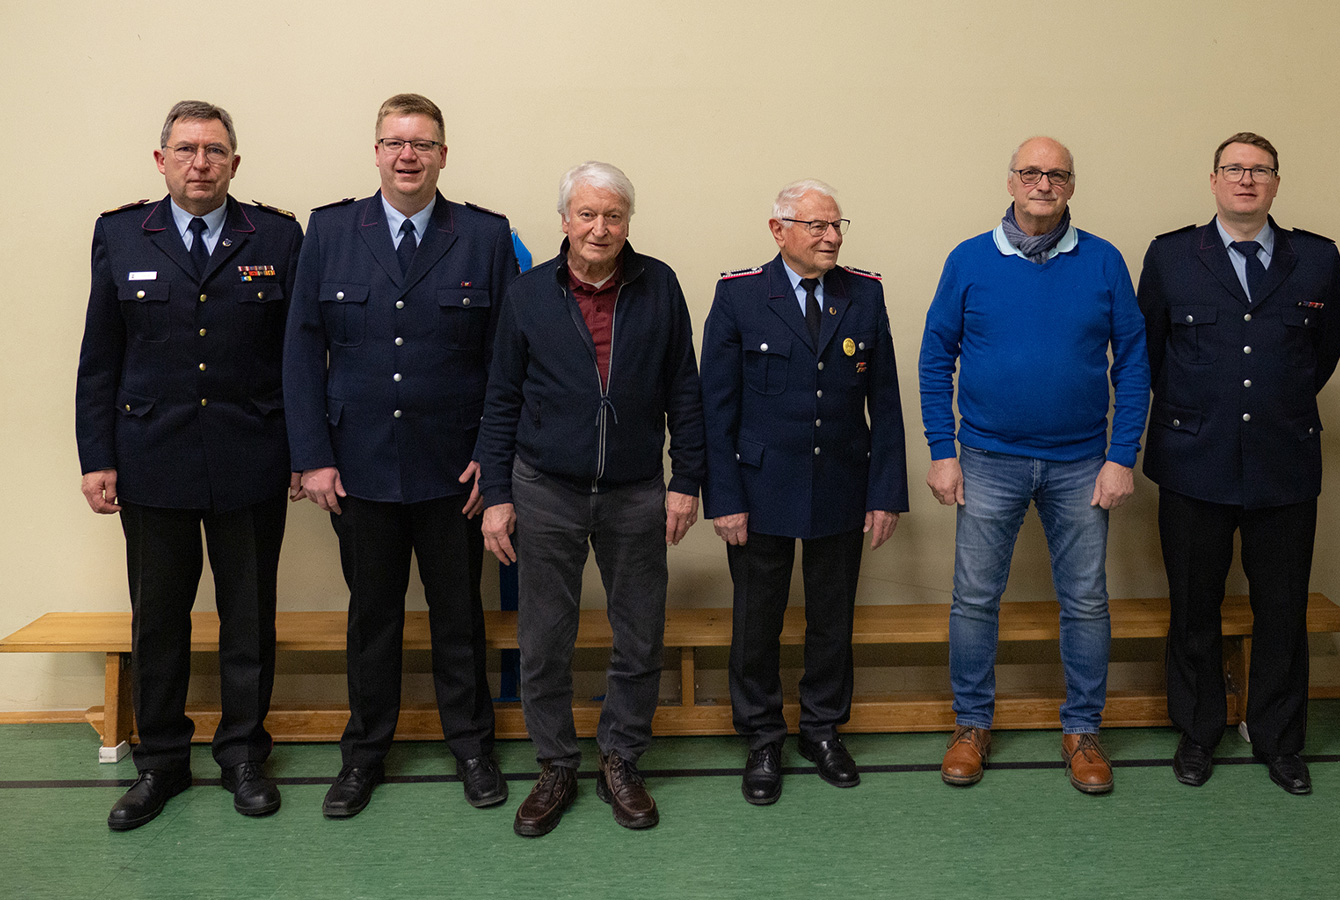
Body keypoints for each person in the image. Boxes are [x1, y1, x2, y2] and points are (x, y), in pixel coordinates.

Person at [284, 93, 515, 818]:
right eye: (394, 142)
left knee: (458, 618)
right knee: (372, 617)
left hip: (455, 472)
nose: (407, 155)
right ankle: (364, 755)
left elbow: (509, 362)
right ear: (376, 151)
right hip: (360, 470)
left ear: (444, 154)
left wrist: (492, 457)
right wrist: (314, 456)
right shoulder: (328, 231)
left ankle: (472, 747)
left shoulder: (483, 234)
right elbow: (300, 350)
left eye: (421, 143)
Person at [76, 100, 302, 829]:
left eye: (213, 151)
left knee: (248, 618)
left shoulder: (275, 233)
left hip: (251, 455)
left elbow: (299, 360)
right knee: (160, 621)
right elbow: (99, 358)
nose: (199, 163)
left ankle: (243, 756)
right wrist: (96, 457)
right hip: (152, 459)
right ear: (160, 160)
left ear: (236, 161)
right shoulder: (119, 233)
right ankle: (163, 763)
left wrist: (305, 453)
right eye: (185, 150)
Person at [478, 162, 706, 836]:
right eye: (586, 214)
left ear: (627, 221)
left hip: (637, 491)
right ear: (565, 221)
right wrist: (496, 495)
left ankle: (621, 760)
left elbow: (685, 391)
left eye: (613, 216)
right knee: (545, 640)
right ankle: (554, 764)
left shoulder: (659, 285)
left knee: (639, 636)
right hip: (545, 490)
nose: (599, 228)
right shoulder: (526, 294)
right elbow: (500, 401)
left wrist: (686, 480)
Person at [920, 136, 1149, 793]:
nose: (1042, 183)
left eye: (1056, 174)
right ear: (1011, 180)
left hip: (1082, 463)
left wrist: (1119, 456)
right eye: (1031, 172)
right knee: (973, 601)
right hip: (986, 457)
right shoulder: (969, 260)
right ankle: (971, 726)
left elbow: (1133, 362)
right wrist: (943, 450)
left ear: (1071, 185)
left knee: (1084, 602)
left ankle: (1082, 731)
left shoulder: (1104, 262)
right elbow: (936, 355)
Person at [1137, 133, 1340, 794]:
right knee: (1193, 606)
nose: (1247, 180)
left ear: (1277, 183)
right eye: (1235, 169)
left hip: (1283, 462)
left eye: (1260, 170)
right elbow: (1149, 349)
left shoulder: (1314, 258)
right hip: (1193, 459)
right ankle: (1199, 732)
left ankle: (1279, 739)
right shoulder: (1172, 256)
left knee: (1281, 610)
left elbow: (1328, 343)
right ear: (1213, 180)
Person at [701, 179, 908, 805]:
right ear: (778, 230)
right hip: (760, 487)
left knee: (831, 617)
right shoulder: (738, 295)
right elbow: (716, 408)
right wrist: (725, 497)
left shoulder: (863, 295)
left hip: (841, 481)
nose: (832, 237)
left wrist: (885, 493)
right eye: (817, 226)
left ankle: (821, 729)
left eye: (837, 225)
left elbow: (886, 403)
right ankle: (763, 735)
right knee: (756, 619)